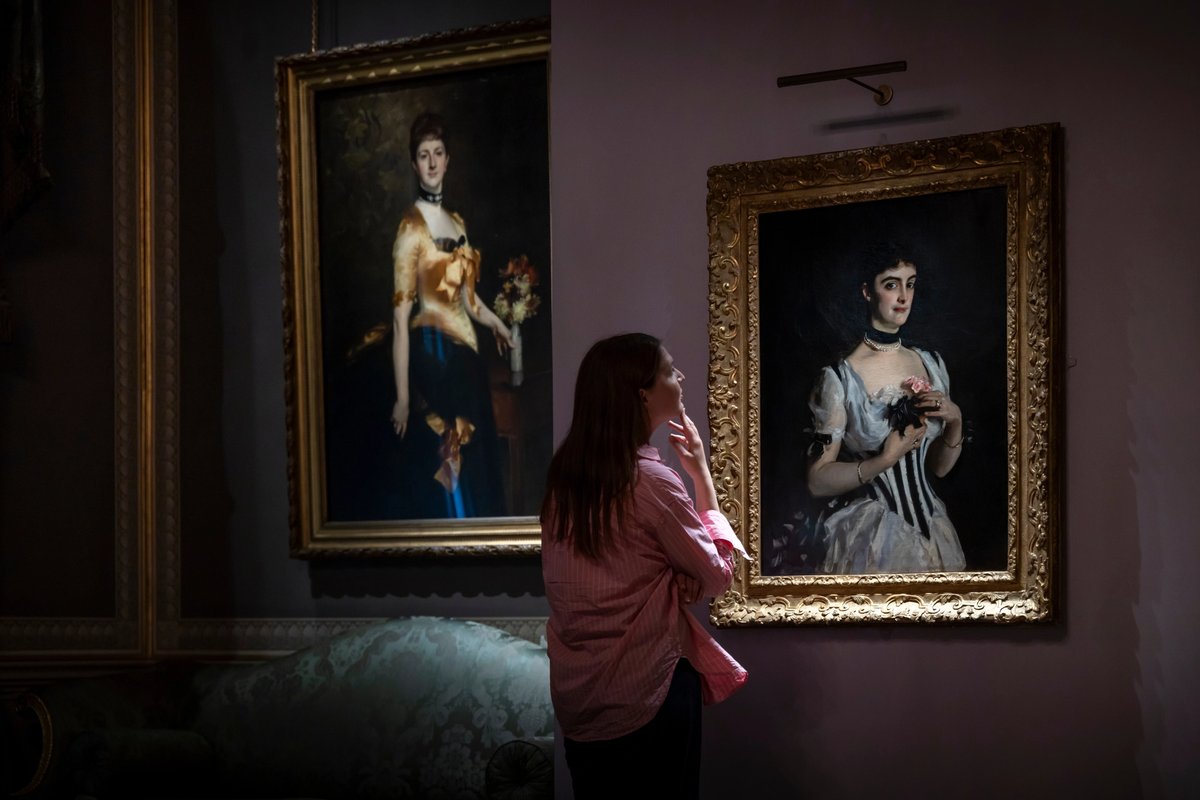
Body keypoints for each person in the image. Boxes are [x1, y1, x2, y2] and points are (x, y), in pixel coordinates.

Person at [541, 333, 748, 800]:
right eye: (669, 371)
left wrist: (669, 578)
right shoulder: (652, 482)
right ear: (642, 393)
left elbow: (602, 578)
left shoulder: (562, 485)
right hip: (650, 694)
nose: (681, 377)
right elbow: (717, 576)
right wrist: (702, 476)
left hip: (581, 703)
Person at [805, 242, 967, 573]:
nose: (904, 297)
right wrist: (885, 459)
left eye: (911, 284)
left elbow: (939, 469)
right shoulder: (839, 378)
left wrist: (956, 421)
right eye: (891, 284)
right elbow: (817, 480)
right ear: (868, 292)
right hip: (873, 538)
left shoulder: (931, 363)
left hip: (935, 530)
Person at [389, 111, 513, 518]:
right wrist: (403, 397)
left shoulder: (457, 222)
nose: (431, 163)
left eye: (438, 153)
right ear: (414, 164)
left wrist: (498, 324)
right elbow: (400, 319)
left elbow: (471, 302)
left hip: (467, 356)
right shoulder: (411, 228)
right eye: (423, 155)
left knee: (477, 463)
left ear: (447, 160)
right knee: (445, 453)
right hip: (432, 350)